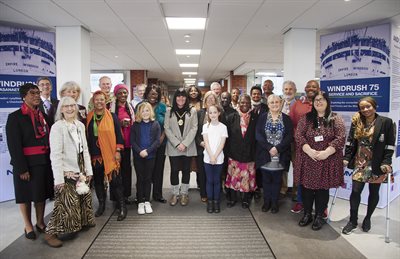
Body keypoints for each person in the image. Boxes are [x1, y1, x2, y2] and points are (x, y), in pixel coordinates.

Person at [6, 83, 54, 241]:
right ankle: (28, 225)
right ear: (24, 96)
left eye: (37, 92)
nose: (36, 95)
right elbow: (14, 145)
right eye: (32, 93)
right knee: (25, 196)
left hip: (43, 162)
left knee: (40, 195)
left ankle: (40, 222)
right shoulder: (15, 117)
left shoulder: (44, 116)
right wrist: (21, 169)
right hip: (26, 164)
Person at [45, 96, 95, 247]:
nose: (70, 109)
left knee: (82, 196)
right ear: (61, 109)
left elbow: (85, 149)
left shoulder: (79, 125)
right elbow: (55, 155)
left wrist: (88, 170)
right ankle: (50, 233)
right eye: (66, 106)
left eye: (72, 105)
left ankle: (82, 222)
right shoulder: (57, 127)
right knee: (65, 202)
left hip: (80, 165)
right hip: (66, 168)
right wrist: (58, 178)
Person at [342, 97, 395, 235]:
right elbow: (351, 142)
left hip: (377, 163)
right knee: (355, 191)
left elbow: (390, 145)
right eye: (362, 107)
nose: (365, 110)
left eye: (368, 106)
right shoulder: (357, 121)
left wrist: (386, 162)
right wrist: (347, 157)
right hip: (360, 163)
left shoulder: (386, 122)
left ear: (374, 106)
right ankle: (353, 220)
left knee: (374, 192)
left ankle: (368, 218)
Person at [294, 91, 345, 230]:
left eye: (322, 99)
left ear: (327, 102)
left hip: (326, 161)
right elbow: (299, 135)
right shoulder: (306, 118)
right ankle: (307, 214)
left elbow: (340, 138)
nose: (319, 102)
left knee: (322, 190)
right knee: (307, 190)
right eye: (316, 99)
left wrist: (326, 152)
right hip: (308, 160)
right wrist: (308, 150)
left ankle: (319, 216)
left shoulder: (336, 119)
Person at [87, 90, 127, 221]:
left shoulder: (113, 116)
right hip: (95, 154)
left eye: (102, 99)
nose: (99, 102)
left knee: (115, 181)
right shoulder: (89, 117)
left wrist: (118, 151)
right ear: (93, 101)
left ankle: (122, 207)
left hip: (110, 154)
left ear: (106, 101)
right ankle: (101, 205)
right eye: (97, 99)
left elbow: (119, 135)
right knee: (98, 181)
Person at [256, 94, 293, 214]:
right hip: (265, 154)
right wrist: (269, 148)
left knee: (277, 180)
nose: (274, 104)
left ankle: (274, 203)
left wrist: (277, 148)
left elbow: (289, 137)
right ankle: (266, 202)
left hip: (280, 155)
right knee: (266, 180)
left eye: (277, 102)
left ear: (281, 103)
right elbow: (258, 135)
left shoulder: (286, 119)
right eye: (272, 102)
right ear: (268, 104)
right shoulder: (262, 118)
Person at [289, 80, 320, 214]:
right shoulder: (297, 104)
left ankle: (320, 206)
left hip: (319, 147)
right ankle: (301, 202)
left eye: (314, 86)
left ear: (318, 88)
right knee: (301, 174)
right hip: (299, 146)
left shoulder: (321, 103)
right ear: (305, 88)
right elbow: (291, 124)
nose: (311, 88)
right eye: (309, 86)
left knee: (319, 175)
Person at [164, 88, 198, 206]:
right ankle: (174, 193)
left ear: (186, 98)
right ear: (175, 98)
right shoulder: (169, 111)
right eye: (178, 96)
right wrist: (177, 143)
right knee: (174, 171)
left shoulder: (192, 111)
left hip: (187, 147)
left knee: (186, 170)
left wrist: (185, 143)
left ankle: (184, 193)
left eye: (183, 96)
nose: (181, 98)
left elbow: (195, 128)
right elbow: (166, 128)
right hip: (174, 147)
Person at [225, 94, 258, 208]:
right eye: (242, 102)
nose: (244, 104)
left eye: (247, 102)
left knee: (247, 178)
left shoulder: (255, 117)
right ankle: (233, 198)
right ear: (238, 103)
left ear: (250, 104)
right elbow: (227, 137)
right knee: (234, 177)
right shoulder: (231, 117)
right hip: (234, 153)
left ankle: (245, 199)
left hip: (250, 154)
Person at [131, 102, 161, 215]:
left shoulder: (156, 124)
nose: (145, 113)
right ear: (139, 113)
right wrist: (140, 151)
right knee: (140, 178)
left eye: (147, 110)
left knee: (148, 178)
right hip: (138, 156)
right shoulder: (135, 125)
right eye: (142, 111)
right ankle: (140, 202)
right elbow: (132, 141)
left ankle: (147, 201)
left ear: (151, 112)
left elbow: (157, 141)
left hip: (151, 156)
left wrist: (147, 151)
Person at [140, 84, 168, 203]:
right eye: (151, 93)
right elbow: (137, 123)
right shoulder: (141, 106)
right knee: (145, 171)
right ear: (147, 93)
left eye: (156, 94)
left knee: (158, 169)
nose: (153, 96)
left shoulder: (163, 107)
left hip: (161, 143)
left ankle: (157, 194)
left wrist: (162, 137)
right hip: (145, 144)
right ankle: (144, 196)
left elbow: (167, 124)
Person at [110, 84, 135, 204]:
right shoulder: (111, 108)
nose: (123, 95)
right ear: (116, 95)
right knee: (116, 171)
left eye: (125, 93)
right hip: (115, 145)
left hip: (128, 144)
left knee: (126, 170)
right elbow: (109, 126)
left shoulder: (130, 108)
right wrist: (119, 123)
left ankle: (125, 195)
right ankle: (116, 197)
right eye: (120, 93)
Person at [195, 91, 222, 202]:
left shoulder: (220, 113)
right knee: (202, 172)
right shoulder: (199, 113)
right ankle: (204, 193)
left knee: (215, 174)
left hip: (217, 150)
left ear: (216, 101)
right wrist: (201, 143)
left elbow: (223, 132)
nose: (211, 101)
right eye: (208, 99)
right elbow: (195, 131)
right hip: (202, 148)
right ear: (204, 102)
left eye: (213, 99)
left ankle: (216, 194)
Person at [202, 105, 228, 213]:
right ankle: (210, 201)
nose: (213, 114)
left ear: (219, 113)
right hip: (208, 157)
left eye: (215, 112)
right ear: (208, 114)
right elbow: (206, 142)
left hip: (219, 158)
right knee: (209, 180)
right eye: (210, 112)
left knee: (217, 180)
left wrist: (215, 156)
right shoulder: (205, 126)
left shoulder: (223, 127)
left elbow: (222, 144)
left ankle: (216, 201)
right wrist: (211, 156)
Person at [280, 80, 297, 197]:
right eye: (286, 89)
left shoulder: (299, 105)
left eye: (290, 89)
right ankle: (282, 189)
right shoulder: (279, 103)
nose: (288, 91)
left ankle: (296, 191)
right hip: (282, 141)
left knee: (296, 166)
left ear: (295, 91)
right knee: (282, 166)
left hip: (295, 141)